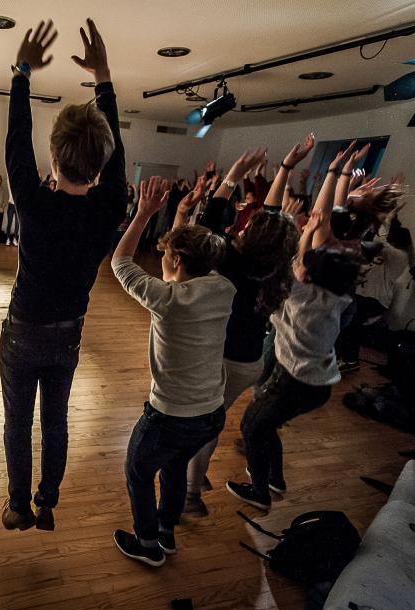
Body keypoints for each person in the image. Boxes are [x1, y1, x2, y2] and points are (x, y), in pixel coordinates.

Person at [0, 18, 127, 531]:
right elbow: (112, 154)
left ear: (52, 159)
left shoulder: (33, 202)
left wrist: (23, 72)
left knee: (18, 424)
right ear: (100, 168)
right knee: (56, 422)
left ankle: (17, 507)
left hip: (24, 330)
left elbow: (15, 140)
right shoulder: (110, 204)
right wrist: (104, 79)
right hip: (69, 334)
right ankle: (48, 500)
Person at [227, 147, 363, 511]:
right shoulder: (337, 297)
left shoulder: (300, 295)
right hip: (319, 385)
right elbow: (303, 263)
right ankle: (275, 478)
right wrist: (336, 178)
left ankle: (260, 490)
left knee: (252, 427)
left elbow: (295, 263)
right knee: (265, 425)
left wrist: (307, 230)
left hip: (296, 381)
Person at [181, 138, 311, 516]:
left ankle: (189, 494)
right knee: (213, 418)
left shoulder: (234, 262)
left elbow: (203, 229)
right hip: (250, 360)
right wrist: (284, 168)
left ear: (253, 233)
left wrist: (233, 175)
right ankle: (196, 475)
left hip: (222, 359)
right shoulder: (278, 265)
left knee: (203, 423)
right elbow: (272, 221)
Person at [109, 176, 234, 567]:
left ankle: (148, 545)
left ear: (176, 261)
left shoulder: (168, 300)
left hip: (171, 416)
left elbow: (120, 262)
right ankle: (165, 530)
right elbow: (194, 254)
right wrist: (181, 215)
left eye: (169, 255)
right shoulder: (222, 287)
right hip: (210, 413)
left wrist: (144, 213)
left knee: (138, 470)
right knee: (175, 467)